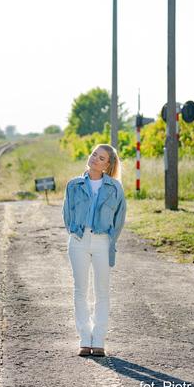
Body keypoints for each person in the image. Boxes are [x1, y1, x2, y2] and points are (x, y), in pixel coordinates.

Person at [62, 143, 126, 357]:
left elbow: (119, 220)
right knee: (80, 290)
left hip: (102, 241)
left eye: (101, 158)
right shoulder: (73, 185)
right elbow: (67, 214)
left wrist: (109, 242)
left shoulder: (115, 188)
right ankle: (84, 339)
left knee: (102, 292)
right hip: (78, 240)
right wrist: (74, 232)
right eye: (94, 154)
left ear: (108, 165)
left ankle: (98, 340)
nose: (94, 159)